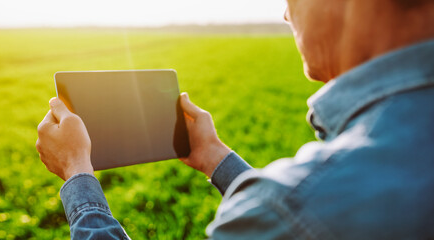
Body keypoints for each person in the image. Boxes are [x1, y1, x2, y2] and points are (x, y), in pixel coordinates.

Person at [36, 0, 434, 239]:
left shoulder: (292, 208)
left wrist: (78, 177)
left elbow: (295, 210)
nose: (284, 13)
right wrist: (214, 157)